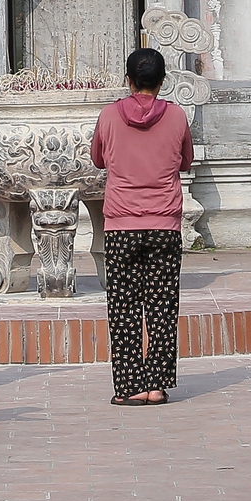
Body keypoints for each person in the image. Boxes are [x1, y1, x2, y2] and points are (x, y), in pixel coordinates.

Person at [91, 47, 194, 407]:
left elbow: (98, 159)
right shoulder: (177, 116)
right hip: (164, 223)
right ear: (162, 81)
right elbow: (185, 161)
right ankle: (157, 385)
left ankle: (130, 384)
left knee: (123, 307)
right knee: (163, 305)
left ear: (129, 80)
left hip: (120, 224)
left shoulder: (108, 115)